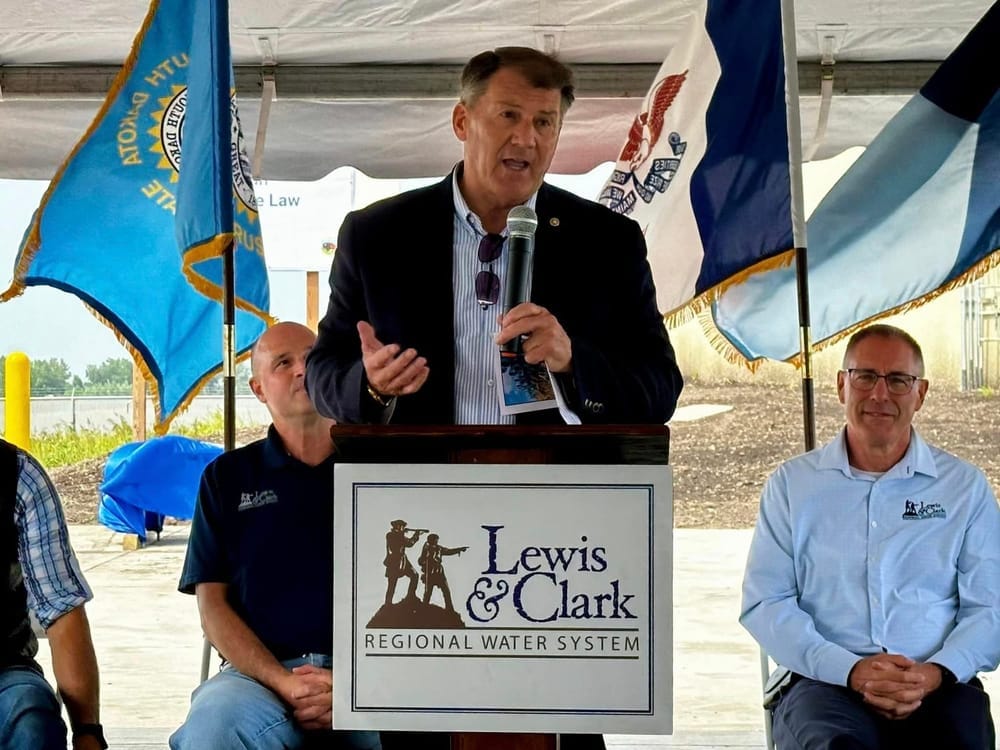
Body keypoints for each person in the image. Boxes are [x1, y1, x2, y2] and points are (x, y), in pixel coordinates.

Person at [305, 46, 683, 427]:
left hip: (554, 483)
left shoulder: (606, 242)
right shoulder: (378, 236)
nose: (526, 138)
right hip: (420, 481)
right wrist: (371, 385)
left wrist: (572, 363)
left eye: (544, 123)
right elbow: (321, 375)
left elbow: (660, 387)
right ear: (461, 122)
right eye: (509, 116)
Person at [741, 324, 1000, 750]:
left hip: (939, 683)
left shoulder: (963, 488)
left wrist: (934, 672)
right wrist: (850, 670)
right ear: (842, 385)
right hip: (824, 683)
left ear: (921, 393)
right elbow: (766, 603)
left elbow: (989, 606)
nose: (880, 394)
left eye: (899, 380)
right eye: (865, 377)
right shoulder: (793, 486)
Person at [170, 322, 380, 750]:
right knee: (211, 730)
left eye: (311, 358)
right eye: (283, 363)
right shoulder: (226, 479)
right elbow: (213, 608)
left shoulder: (381, 467)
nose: (301, 370)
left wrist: (355, 685)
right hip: (259, 681)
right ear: (259, 389)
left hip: (378, 674)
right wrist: (284, 683)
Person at [1, 438, 105, 750]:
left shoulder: (17, 476)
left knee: (31, 720)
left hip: (5, 672)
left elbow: (61, 609)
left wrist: (88, 733)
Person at [417, 533, 467, 612]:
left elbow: (449, 551)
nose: (436, 541)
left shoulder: (439, 548)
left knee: (446, 591)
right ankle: (423, 609)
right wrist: (425, 561)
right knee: (428, 593)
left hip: (439, 573)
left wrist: (459, 549)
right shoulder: (426, 549)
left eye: (437, 540)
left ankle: (450, 609)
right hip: (430, 573)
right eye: (435, 540)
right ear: (431, 540)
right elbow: (420, 561)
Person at [383, 520, 423, 606]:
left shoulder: (398, 535)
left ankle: (410, 596)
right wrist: (416, 535)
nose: (403, 528)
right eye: (402, 526)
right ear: (397, 527)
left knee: (414, 575)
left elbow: (405, 541)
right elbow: (409, 543)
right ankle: (388, 603)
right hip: (394, 561)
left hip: (402, 560)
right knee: (392, 584)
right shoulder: (391, 535)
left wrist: (410, 534)